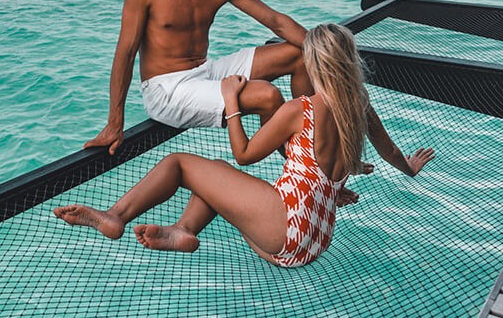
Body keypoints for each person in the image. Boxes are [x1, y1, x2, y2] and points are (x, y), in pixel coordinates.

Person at [56, 23, 435, 269]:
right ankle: (183, 229)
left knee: (180, 164)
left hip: (286, 232)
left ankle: (116, 216)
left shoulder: (300, 110)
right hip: (316, 239)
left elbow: (245, 155)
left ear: (314, 65)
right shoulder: (359, 105)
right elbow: (389, 153)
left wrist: (230, 100)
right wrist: (410, 168)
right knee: (217, 174)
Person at [84, 0, 312, 156]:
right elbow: (125, 54)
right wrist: (115, 122)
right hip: (167, 89)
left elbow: (276, 21)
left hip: (205, 71)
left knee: (301, 54)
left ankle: (310, 144)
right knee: (267, 95)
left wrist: (326, 50)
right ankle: (302, 163)